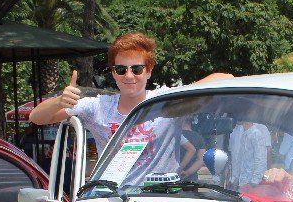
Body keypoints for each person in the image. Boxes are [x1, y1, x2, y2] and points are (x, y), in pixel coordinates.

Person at [29, 32, 231, 157]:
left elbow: (224, 77)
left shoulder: (166, 101)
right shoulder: (98, 107)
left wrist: (186, 92)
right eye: (121, 69)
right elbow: (36, 117)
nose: (129, 76)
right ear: (112, 72)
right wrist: (59, 101)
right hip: (111, 199)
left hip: (161, 200)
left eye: (136, 69)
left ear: (149, 70)